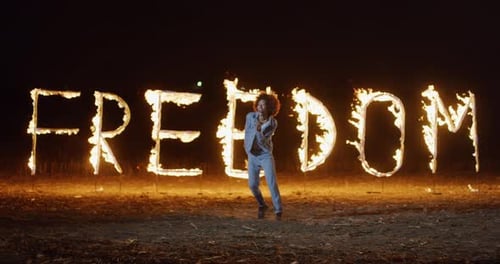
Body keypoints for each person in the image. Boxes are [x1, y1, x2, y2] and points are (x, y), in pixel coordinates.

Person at [244, 92, 282, 220]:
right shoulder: (250, 117)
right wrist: (247, 149)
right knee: (252, 185)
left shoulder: (272, 123)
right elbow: (247, 132)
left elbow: (263, 136)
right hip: (252, 155)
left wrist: (260, 128)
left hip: (265, 155)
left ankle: (278, 210)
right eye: (259, 104)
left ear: (269, 108)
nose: (260, 107)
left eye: (263, 105)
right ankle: (262, 204)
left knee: (271, 182)